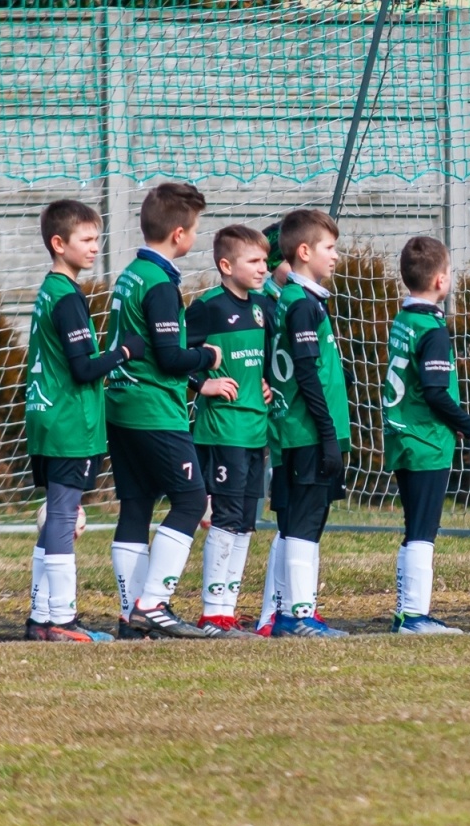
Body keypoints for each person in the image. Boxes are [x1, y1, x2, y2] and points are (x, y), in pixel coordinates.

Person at [23, 200, 145, 642]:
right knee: (62, 516)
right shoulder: (68, 299)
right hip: (68, 422)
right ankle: (61, 620)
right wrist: (124, 351)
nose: (96, 247)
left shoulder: (50, 291)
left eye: (98, 238)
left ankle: (41, 619)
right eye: (87, 240)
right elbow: (83, 369)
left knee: (60, 515)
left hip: (48, 418)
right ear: (59, 244)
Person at [105, 182, 222, 639]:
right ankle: (153, 603)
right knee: (192, 499)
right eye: (195, 229)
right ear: (179, 234)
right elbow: (170, 357)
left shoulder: (130, 274)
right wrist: (207, 357)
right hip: (153, 409)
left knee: (135, 506)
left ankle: (129, 614)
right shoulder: (160, 285)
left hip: (120, 404)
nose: (196, 237)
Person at [382, 236, 470, 634]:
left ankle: (407, 612)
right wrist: (467, 423)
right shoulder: (433, 332)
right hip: (426, 441)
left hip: (402, 436)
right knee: (423, 531)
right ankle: (414, 617)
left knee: (414, 529)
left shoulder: (405, 319)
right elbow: (436, 391)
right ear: (441, 281)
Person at [261, 208, 351, 639]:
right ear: (303, 251)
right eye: (328, 248)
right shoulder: (300, 307)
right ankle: (297, 616)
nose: (335, 256)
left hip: (301, 432)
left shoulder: (300, 300)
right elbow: (306, 374)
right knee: (302, 524)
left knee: (306, 523)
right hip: (306, 433)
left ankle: (294, 613)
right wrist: (328, 433)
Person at [185, 225, 278, 637]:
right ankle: (211, 612)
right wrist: (202, 383)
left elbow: (265, 358)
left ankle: (228, 607)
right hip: (222, 430)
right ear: (226, 265)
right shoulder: (207, 307)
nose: (263, 268)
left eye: (265, 260)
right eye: (254, 261)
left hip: (255, 428)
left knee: (245, 521)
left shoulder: (262, 307)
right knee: (224, 518)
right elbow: (173, 354)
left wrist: (266, 381)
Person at [255, 222, 294, 637]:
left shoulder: (294, 301)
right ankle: (271, 613)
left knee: (292, 522)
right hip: (272, 426)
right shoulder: (266, 307)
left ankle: (275, 609)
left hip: (287, 426)